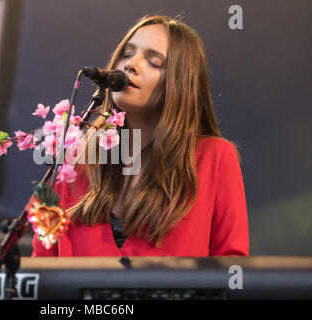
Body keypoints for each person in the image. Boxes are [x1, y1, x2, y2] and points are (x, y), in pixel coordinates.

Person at [32, 14, 249, 257]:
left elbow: (232, 266)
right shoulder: (74, 164)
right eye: (126, 53)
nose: (130, 65)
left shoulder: (214, 158)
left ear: (180, 84)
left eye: (154, 62)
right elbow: (41, 271)